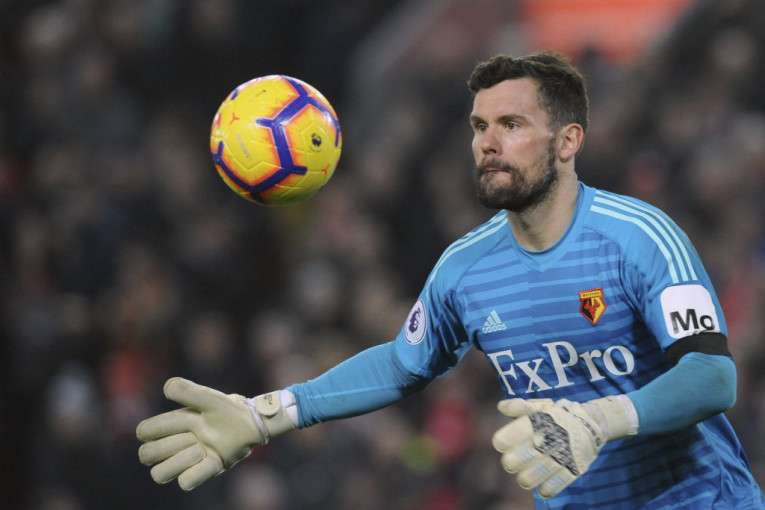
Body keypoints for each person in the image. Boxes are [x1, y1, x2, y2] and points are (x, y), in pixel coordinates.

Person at [136, 51, 765, 509]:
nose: (487, 143)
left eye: (511, 125)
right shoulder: (465, 268)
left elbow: (713, 376)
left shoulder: (640, 236)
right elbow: (401, 364)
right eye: (479, 127)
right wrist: (265, 414)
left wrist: (603, 418)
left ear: (568, 140)